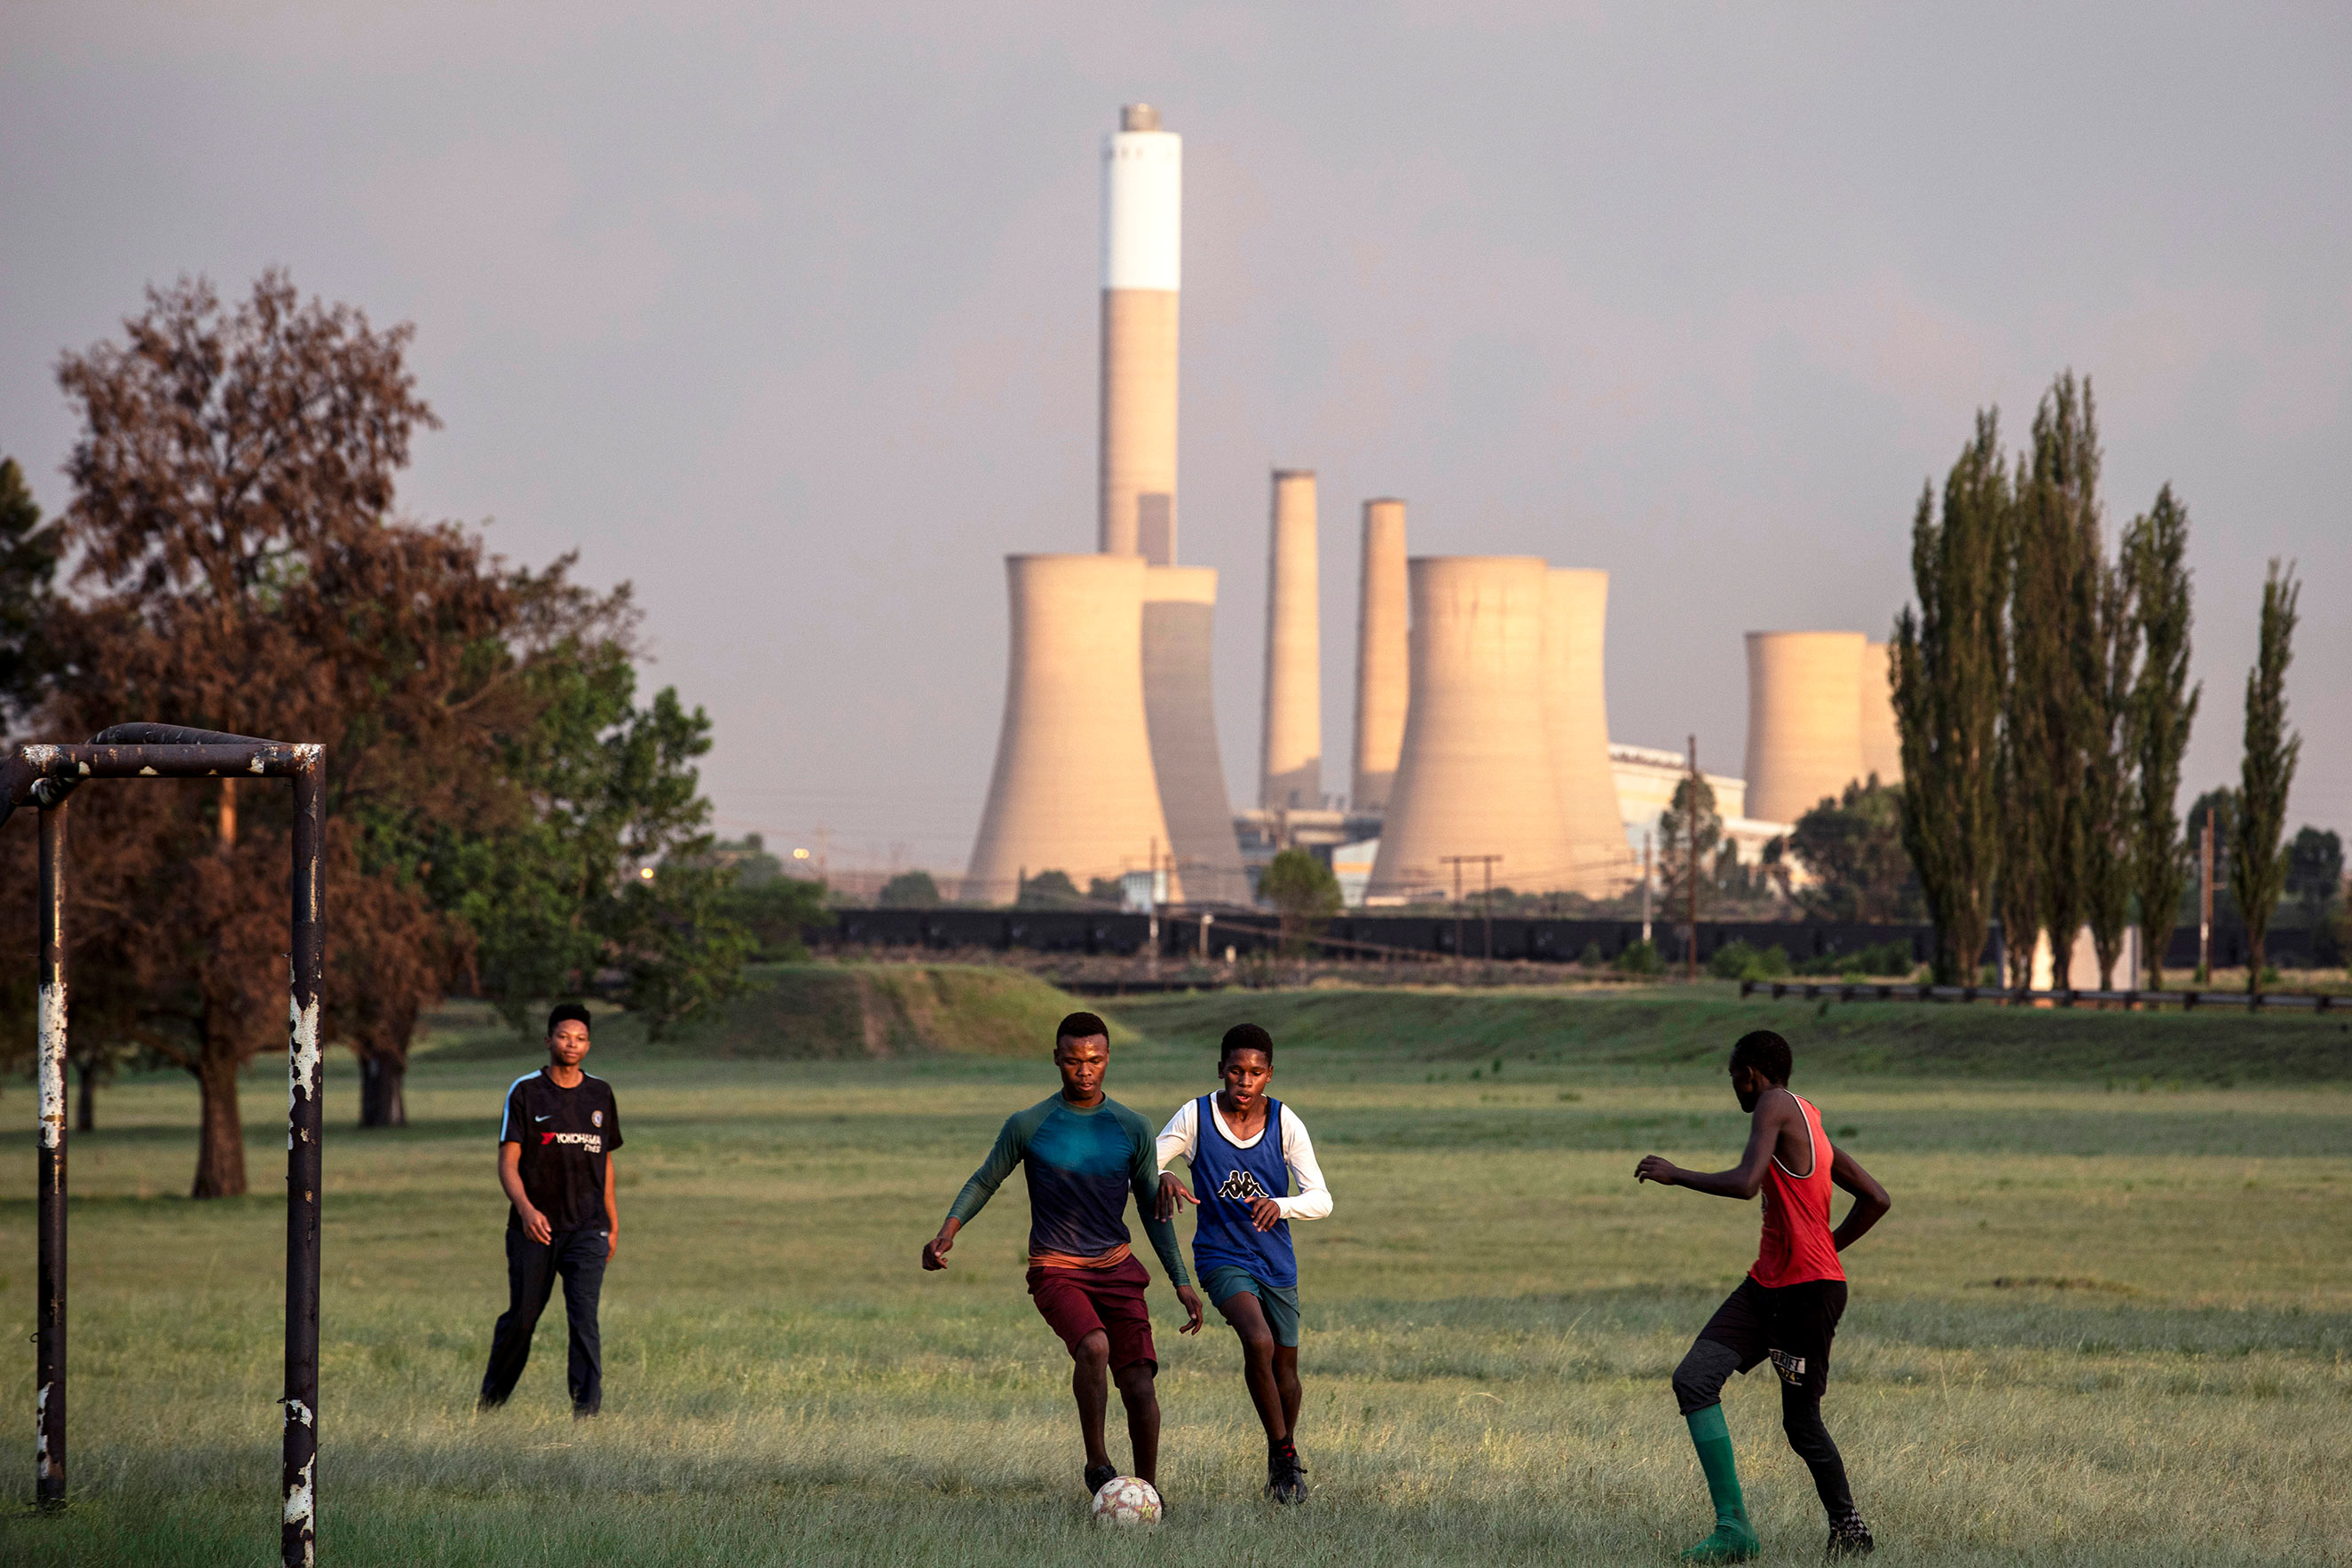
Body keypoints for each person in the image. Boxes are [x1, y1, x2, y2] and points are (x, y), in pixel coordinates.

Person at [921, 1011, 1204, 1501]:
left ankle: (1147, 1495)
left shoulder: (1132, 1127)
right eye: (1073, 1061)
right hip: (1056, 1268)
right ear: (1057, 1059)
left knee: (1139, 1383)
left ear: (1108, 1058)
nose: (1084, 1070)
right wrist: (948, 1231)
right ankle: (1097, 1462)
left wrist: (1181, 1282)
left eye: (1094, 1060)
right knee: (1094, 1346)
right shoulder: (1029, 1124)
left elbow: (1152, 1208)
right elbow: (986, 1178)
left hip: (1117, 1267)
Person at [1637, 1028, 1891, 1562]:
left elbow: (1747, 1183)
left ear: (1751, 1075)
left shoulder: (1773, 1104)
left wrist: (1676, 1174)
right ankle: (1734, 1531)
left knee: (1801, 1423)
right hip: (1765, 1287)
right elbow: (1875, 1198)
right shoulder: (1812, 1123)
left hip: (1805, 1296)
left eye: (1735, 1079)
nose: (1736, 1090)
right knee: (1695, 1378)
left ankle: (1850, 1529)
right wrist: (1827, 1247)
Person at [1154, 1022, 1331, 1504]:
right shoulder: (1195, 1117)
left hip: (1277, 1260)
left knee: (1287, 1369)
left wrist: (1284, 1204)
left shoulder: (1285, 1122)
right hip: (1220, 1256)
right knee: (1258, 1340)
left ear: (1270, 1075)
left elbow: (1321, 1199)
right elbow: (1141, 1161)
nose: (1244, 1082)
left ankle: (1281, 1463)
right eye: (1235, 1071)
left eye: (1255, 1072)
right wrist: (1166, 1173)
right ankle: (1285, 1454)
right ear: (1221, 1072)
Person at [478, 1003, 621, 1417]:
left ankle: (586, 1414)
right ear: (548, 1041)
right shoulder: (525, 1091)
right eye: (563, 1036)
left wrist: (613, 1224)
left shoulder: (600, 1093)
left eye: (579, 1038)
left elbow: (606, 1162)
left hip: (588, 1229)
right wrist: (525, 1211)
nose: (570, 1044)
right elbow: (508, 1162)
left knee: (584, 1321)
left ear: (588, 1045)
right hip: (534, 1230)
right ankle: (491, 1404)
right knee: (522, 1319)